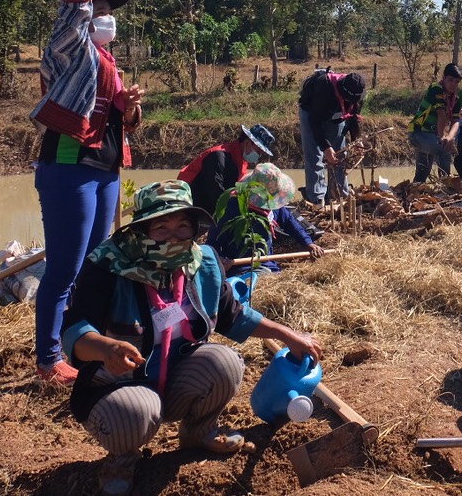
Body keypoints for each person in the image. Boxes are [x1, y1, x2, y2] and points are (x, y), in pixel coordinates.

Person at [62, 181, 322, 496]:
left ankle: (198, 432)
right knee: (137, 413)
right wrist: (106, 348)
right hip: (119, 385)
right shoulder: (108, 266)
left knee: (225, 362)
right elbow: (74, 330)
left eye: (182, 226)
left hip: (176, 378)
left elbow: (233, 315)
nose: (174, 237)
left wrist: (288, 335)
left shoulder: (203, 263)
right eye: (161, 228)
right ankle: (122, 459)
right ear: (141, 230)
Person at [32, 0, 143, 386]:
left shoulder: (109, 62)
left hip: (105, 167)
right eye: (99, 9)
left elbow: (123, 123)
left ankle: (86, 344)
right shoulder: (69, 50)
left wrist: (129, 106)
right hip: (69, 163)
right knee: (64, 267)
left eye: (109, 11)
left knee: (95, 264)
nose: (105, 15)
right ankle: (47, 359)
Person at [207, 163, 325, 276]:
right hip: (239, 267)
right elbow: (213, 241)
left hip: (266, 263)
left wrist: (308, 243)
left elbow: (291, 223)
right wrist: (221, 259)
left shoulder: (273, 207)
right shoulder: (231, 207)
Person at [176, 124, 276, 217]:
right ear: (247, 143)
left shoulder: (240, 162)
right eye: (258, 151)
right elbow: (216, 192)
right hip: (192, 208)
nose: (259, 156)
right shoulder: (218, 156)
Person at [298, 68, 364, 205]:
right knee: (315, 156)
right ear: (343, 92)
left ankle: (338, 195)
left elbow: (354, 116)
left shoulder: (358, 93)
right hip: (312, 114)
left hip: (337, 117)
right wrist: (326, 147)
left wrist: (356, 139)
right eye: (348, 99)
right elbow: (315, 123)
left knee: (339, 155)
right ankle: (316, 198)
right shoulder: (324, 88)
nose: (351, 101)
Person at [410, 63, 462, 184]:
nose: (453, 84)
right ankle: (446, 184)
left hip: (432, 136)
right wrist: (443, 138)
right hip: (419, 132)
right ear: (444, 78)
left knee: (422, 172)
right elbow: (441, 114)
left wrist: (449, 137)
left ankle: (416, 189)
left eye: (456, 82)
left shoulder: (455, 99)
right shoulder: (436, 89)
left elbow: (456, 121)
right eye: (450, 80)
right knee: (443, 150)